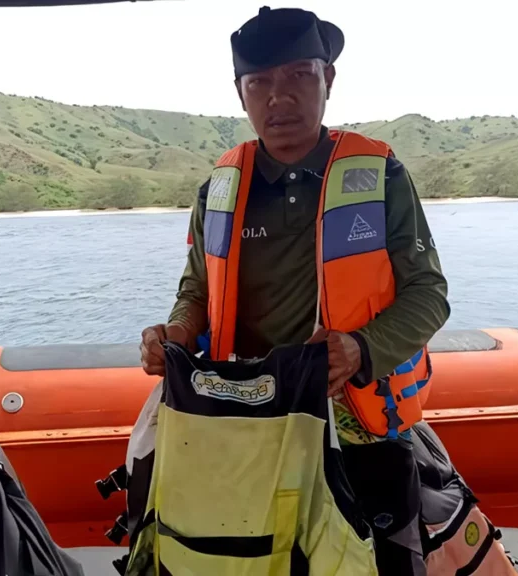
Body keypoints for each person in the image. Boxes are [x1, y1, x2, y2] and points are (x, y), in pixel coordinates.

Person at [139, 6, 450, 575]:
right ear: (241, 94)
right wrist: (177, 331)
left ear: (327, 79)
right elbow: (195, 290)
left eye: (298, 76)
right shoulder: (218, 190)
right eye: (260, 83)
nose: (278, 98)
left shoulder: (381, 176)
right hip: (251, 420)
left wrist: (360, 349)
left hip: (356, 418)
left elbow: (429, 294)